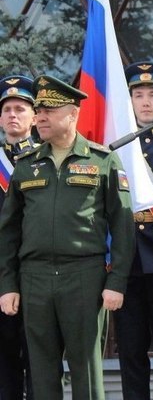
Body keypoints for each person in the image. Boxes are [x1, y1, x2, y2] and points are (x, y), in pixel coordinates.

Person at [0, 75, 135, 400]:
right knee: (42, 372)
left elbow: (123, 225)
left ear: (72, 114)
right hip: (34, 278)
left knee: (86, 372)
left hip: (84, 277)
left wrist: (116, 281)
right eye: (40, 111)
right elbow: (9, 231)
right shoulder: (26, 165)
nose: (41, 117)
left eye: (49, 111)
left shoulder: (102, 161)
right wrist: (8, 285)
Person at [114, 61, 153, 400]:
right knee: (131, 355)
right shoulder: (117, 145)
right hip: (127, 263)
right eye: (139, 95)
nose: (146, 101)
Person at [0, 75, 37, 400]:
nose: (13, 115)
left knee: (40, 363)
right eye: (7, 109)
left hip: (39, 275)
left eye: (20, 108)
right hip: (0, 278)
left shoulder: (47, 159)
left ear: (34, 116)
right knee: (4, 368)